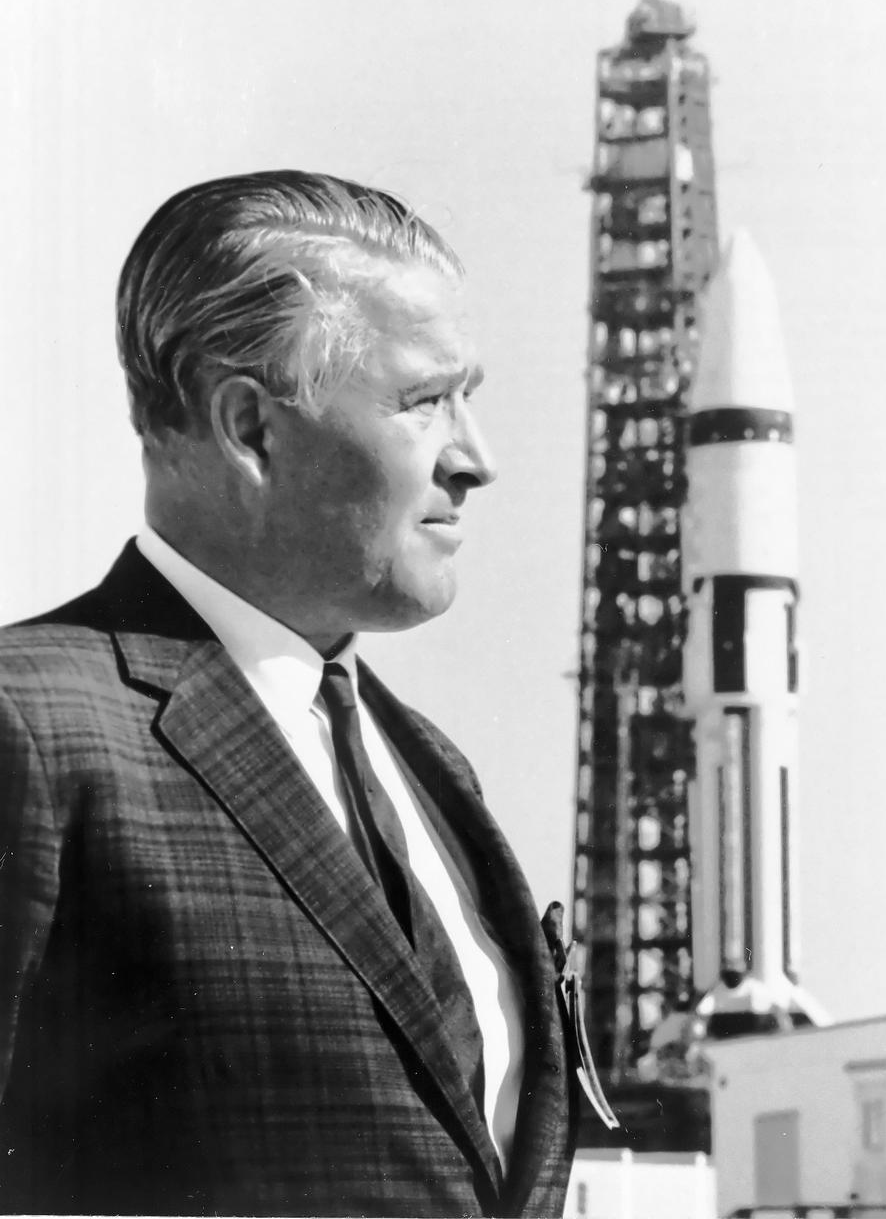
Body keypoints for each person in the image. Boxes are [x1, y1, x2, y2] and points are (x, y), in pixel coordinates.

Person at [0, 171, 576, 1216]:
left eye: (470, 397)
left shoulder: (435, 767)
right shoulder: (33, 725)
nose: (476, 459)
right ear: (249, 427)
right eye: (424, 401)